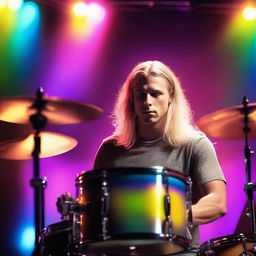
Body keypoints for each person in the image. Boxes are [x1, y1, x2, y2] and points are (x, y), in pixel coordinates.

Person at [92, 60, 227, 255]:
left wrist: (166, 216)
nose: (147, 102)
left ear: (171, 96)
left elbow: (218, 203)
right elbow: (96, 210)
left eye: (155, 94)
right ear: (132, 100)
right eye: (141, 95)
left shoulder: (195, 144)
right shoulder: (110, 149)